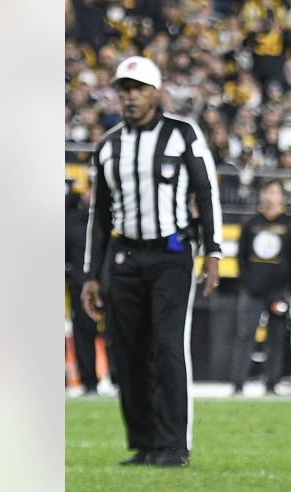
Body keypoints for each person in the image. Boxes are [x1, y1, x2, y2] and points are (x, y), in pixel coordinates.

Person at [81, 56, 223, 468]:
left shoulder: (182, 134)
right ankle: (144, 442)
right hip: (125, 254)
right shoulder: (109, 145)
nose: (130, 96)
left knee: (167, 345)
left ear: (155, 92)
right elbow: (100, 215)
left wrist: (213, 252)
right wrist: (92, 274)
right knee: (128, 349)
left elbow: (206, 191)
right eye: (124, 88)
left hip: (171, 253)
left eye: (138, 88)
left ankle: (174, 444)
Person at [231, 179, 291, 396]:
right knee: (245, 334)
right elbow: (241, 257)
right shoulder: (250, 224)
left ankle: (271, 383)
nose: (271, 196)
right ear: (261, 195)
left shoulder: (289, 225)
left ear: (282, 197)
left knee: (276, 336)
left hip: (278, 290)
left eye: (276, 192)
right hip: (253, 289)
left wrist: (290, 288)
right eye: (268, 192)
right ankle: (239, 382)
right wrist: (246, 282)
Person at [65, 179, 99, 395]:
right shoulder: (73, 222)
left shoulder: (108, 221)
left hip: (109, 284)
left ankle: (118, 380)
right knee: (83, 332)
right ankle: (90, 382)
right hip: (79, 284)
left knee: (119, 333)